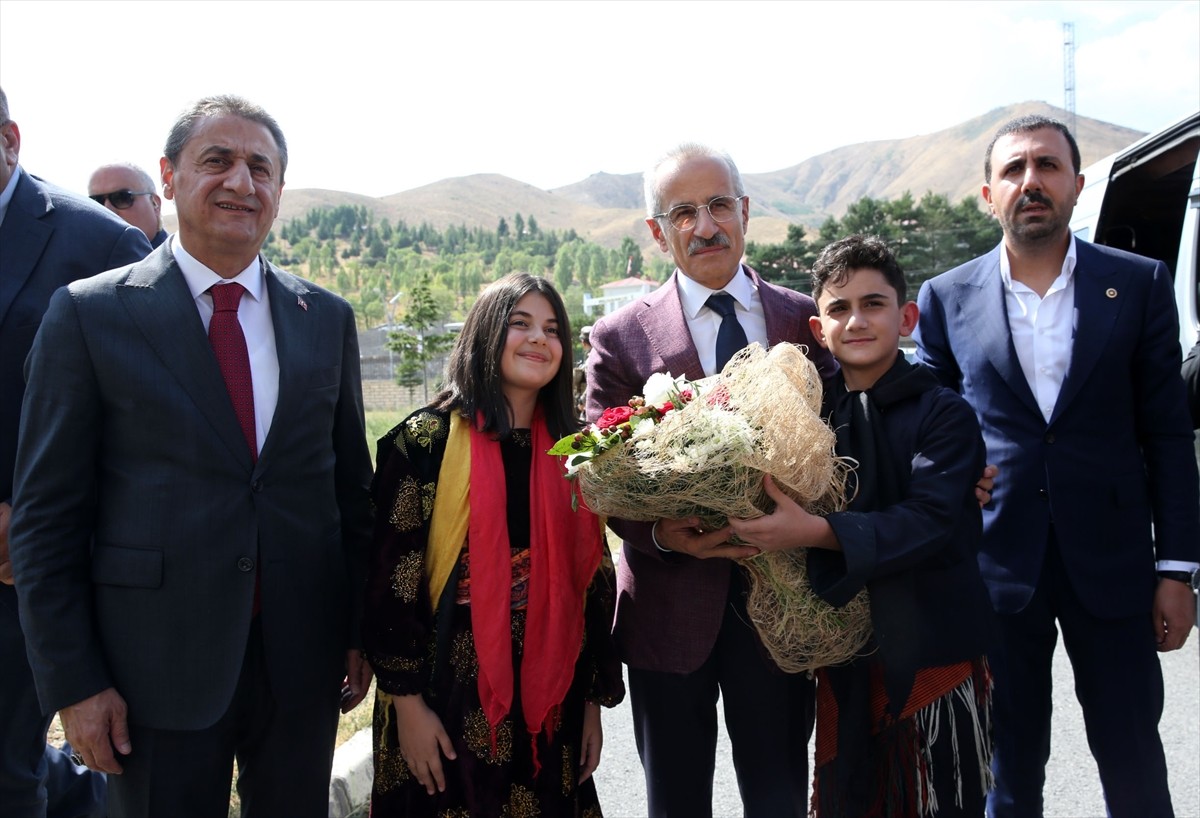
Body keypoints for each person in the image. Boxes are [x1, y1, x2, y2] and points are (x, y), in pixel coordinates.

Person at [9, 94, 375, 817]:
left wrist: (359, 632)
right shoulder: (89, 315)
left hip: (300, 666)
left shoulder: (324, 318)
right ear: (168, 179)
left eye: (261, 168)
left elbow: (349, 493)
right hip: (152, 674)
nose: (242, 182)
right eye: (218, 161)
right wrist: (75, 685)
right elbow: (46, 520)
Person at [913, 114, 1200, 818]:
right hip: (997, 569)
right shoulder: (946, 298)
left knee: (1133, 761)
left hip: (1116, 568)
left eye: (1047, 166)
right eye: (1013, 170)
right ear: (988, 194)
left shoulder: (1136, 284)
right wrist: (947, 480)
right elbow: (927, 428)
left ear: (1076, 184)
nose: (1030, 182)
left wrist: (1178, 571)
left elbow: (1168, 435)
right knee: (1008, 772)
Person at [585, 142, 836, 818]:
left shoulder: (805, 319)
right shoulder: (619, 339)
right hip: (669, 614)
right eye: (684, 211)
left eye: (720, 205)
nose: (706, 226)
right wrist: (661, 534)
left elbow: (853, 436)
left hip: (783, 611)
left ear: (746, 212)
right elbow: (598, 472)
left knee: (780, 797)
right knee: (675, 803)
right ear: (656, 230)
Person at [730, 235, 998, 817]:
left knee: (938, 801)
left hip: (934, 650)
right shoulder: (806, 419)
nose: (856, 320)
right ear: (817, 328)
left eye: (873, 304)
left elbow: (929, 519)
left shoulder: (944, 412)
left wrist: (817, 533)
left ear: (906, 317)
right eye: (839, 308)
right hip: (843, 662)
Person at [362, 273, 624, 817]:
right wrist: (407, 706)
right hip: (446, 696)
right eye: (520, 323)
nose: (539, 339)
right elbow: (392, 580)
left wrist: (591, 706)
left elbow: (592, 582)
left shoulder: (575, 452)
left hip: (552, 702)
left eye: (553, 329)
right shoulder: (425, 442)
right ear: (484, 334)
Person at [0, 86, 150, 818]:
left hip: (23, 572)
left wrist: (24, 522)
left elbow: (139, 427)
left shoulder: (98, 245)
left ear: (10, 139)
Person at [87, 162, 168, 247]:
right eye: (97, 202)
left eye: (121, 198)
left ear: (155, 203)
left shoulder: (180, 258)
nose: (108, 210)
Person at [573, 324, 593, 419]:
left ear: (583, 342)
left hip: (590, 405)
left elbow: (592, 384)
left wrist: (581, 401)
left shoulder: (591, 360)